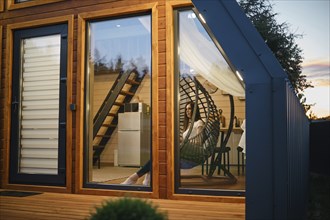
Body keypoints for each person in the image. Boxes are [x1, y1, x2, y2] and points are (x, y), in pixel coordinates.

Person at [121, 101, 204, 185]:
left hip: (189, 156)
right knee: (158, 153)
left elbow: (198, 142)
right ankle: (145, 177)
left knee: (159, 155)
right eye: (186, 109)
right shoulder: (191, 124)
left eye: (189, 109)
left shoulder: (199, 123)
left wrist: (183, 142)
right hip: (183, 152)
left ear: (195, 110)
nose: (187, 111)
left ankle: (135, 178)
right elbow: (186, 139)